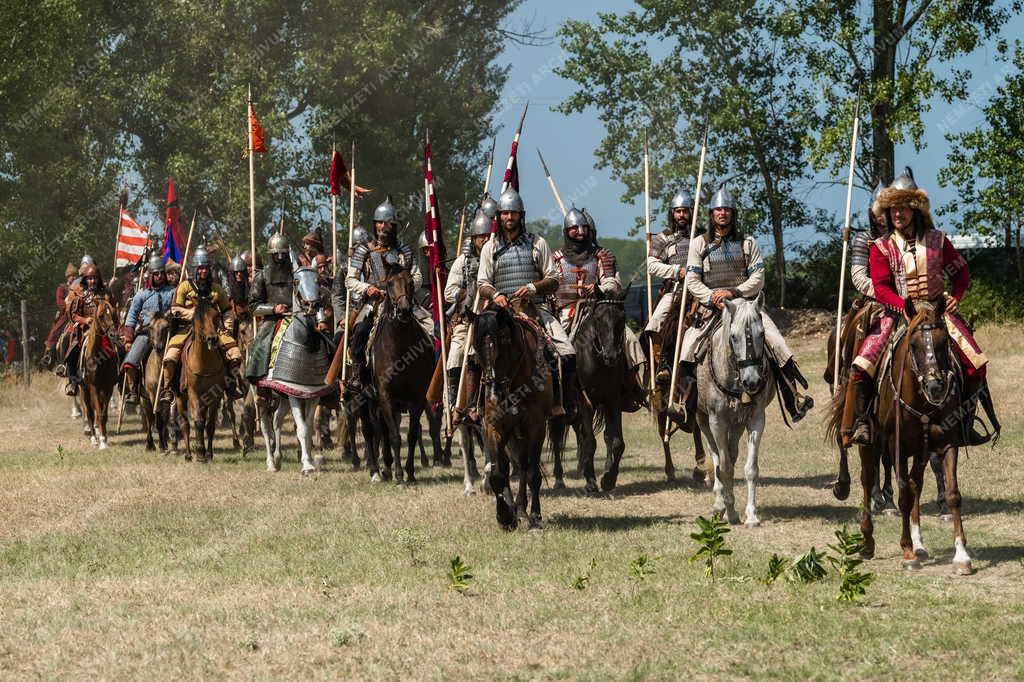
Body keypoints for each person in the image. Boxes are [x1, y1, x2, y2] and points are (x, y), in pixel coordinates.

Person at [850, 167, 1000, 446]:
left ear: (915, 210)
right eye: (893, 208)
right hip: (897, 315)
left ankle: (965, 422)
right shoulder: (880, 247)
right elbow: (881, 287)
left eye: (904, 208)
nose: (898, 214)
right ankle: (863, 424)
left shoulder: (937, 239)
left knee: (977, 363)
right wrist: (902, 306)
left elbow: (960, 272)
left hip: (936, 312)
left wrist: (956, 295)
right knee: (862, 366)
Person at [677, 186, 814, 422]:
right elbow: (692, 279)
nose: (723, 213)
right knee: (688, 348)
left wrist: (733, 292)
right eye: (719, 209)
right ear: (712, 214)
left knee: (776, 342)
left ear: (733, 213)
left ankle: (794, 398)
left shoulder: (748, 242)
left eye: (727, 209)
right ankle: (684, 405)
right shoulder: (699, 243)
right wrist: (712, 297)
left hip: (745, 306)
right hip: (711, 308)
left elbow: (758, 278)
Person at [476, 187, 575, 416]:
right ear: (498, 216)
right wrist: (495, 295)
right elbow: (482, 283)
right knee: (475, 355)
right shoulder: (490, 247)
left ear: (522, 215)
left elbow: (553, 279)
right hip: (499, 312)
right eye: (504, 213)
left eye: (514, 213)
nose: (509, 218)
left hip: (534, 309)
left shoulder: (536, 242)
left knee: (567, 351)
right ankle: (477, 404)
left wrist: (532, 287)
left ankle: (562, 402)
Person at [552, 206, 647, 405]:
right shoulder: (556, 258)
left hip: (598, 308)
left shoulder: (602, 255)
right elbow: (551, 283)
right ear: (566, 231)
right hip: (566, 311)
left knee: (629, 339)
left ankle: (631, 387)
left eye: (583, 228)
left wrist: (597, 288)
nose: (579, 232)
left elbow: (611, 281)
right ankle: (560, 392)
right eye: (574, 229)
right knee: (557, 348)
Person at [344, 196, 433, 389]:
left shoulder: (405, 251)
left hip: (403, 302)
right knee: (359, 333)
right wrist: (367, 288)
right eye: (379, 223)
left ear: (395, 226)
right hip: (373, 304)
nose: (382, 227)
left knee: (431, 329)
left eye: (387, 223)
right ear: (374, 224)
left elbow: (417, 278)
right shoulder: (364, 250)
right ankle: (358, 376)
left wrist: (404, 286)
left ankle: (428, 374)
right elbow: (349, 280)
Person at [159, 246, 245, 404]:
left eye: (206, 268)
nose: (204, 271)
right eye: (201, 268)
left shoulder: (216, 289)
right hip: (186, 330)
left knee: (235, 354)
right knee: (170, 358)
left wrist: (227, 328)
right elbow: (175, 309)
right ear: (195, 269)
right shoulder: (184, 287)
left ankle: (230, 384)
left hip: (214, 330)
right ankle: (168, 388)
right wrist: (194, 314)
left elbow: (227, 311)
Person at [643, 190, 703, 383]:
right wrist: (677, 271)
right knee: (655, 323)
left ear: (691, 212)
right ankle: (663, 364)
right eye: (678, 211)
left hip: (702, 289)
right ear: (672, 213)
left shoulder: (704, 237)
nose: (681, 215)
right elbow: (651, 264)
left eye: (685, 211)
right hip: (676, 290)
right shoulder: (664, 238)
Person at [445, 209, 491, 415]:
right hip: (466, 320)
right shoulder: (462, 262)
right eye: (481, 236)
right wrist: (461, 294)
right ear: (473, 239)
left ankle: (477, 402)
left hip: (491, 319)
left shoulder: (496, 258)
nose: (485, 239)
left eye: (488, 235)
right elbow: (448, 292)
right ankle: (454, 402)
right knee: (456, 355)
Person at [120, 256, 175, 403]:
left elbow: (178, 309)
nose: (159, 276)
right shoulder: (142, 294)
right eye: (156, 273)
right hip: (146, 332)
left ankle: (175, 388)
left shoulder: (172, 292)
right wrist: (129, 338)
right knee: (131, 360)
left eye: (161, 273)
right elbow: (131, 316)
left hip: (168, 332)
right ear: (151, 275)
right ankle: (133, 389)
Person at [60, 264, 113, 396]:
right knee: (72, 352)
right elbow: (73, 315)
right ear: (85, 280)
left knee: (121, 349)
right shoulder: (81, 295)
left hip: (105, 330)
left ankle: (122, 379)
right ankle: (73, 382)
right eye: (89, 278)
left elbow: (113, 310)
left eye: (94, 278)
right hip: (85, 331)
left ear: (98, 279)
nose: (92, 281)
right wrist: (85, 320)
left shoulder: (105, 294)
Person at [42, 263, 78, 368]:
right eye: (73, 276)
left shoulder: (79, 287)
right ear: (68, 277)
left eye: (76, 275)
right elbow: (60, 302)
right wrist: (69, 306)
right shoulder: (62, 288)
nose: (74, 278)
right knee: (54, 332)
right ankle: (48, 356)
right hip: (66, 315)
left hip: (78, 314)